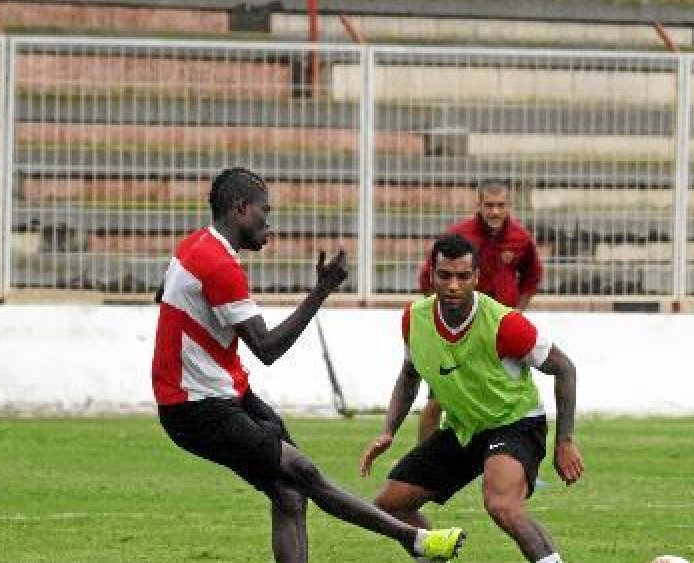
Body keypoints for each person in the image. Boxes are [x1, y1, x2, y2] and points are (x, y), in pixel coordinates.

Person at [152, 167, 465, 563]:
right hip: (196, 407)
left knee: (290, 491)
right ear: (240, 209)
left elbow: (163, 293)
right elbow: (267, 348)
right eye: (264, 212)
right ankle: (412, 538)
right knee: (303, 472)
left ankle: (410, 539)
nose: (269, 222)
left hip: (227, 394)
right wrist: (321, 291)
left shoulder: (195, 247)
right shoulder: (218, 264)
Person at [360, 233, 583, 563]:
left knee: (502, 504)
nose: (453, 286)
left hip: (515, 423)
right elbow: (409, 375)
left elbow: (564, 368)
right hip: (464, 429)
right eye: (445, 275)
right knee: (390, 506)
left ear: (476, 278)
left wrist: (565, 440)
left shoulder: (505, 324)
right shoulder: (414, 319)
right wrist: (388, 431)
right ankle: (435, 553)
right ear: (431, 275)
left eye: (463, 277)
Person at [415, 179, 544, 440]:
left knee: (510, 395)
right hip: (461, 333)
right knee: (438, 397)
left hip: (499, 334)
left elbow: (532, 277)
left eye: (501, 205)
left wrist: (517, 312)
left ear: (510, 205)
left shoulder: (521, 238)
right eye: (489, 205)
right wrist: (446, 316)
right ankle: (421, 459)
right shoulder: (458, 237)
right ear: (478, 204)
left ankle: (517, 458)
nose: (495, 212)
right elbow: (427, 278)